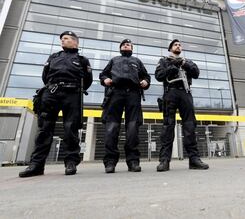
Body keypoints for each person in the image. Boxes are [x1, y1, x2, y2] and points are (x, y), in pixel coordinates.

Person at [19, 31, 92, 177]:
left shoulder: (82, 60)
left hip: (72, 95)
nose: (62, 41)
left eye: (65, 39)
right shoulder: (54, 57)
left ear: (75, 42)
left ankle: (71, 163)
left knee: (70, 128)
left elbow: (88, 80)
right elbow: (45, 76)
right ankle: (36, 165)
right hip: (51, 94)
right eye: (61, 39)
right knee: (44, 129)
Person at [155, 39, 209, 172]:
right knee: (168, 126)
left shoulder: (187, 61)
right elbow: (159, 75)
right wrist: (172, 67)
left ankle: (194, 159)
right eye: (175, 45)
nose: (178, 46)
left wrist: (184, 64)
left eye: (179, 45)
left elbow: (196, 73)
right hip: (170, 92)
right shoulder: (164, 60)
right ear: (170, 48)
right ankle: (164, 161)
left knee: (190, 126)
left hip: (185, 92)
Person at [99, 39, 151, 173]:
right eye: (123, 44)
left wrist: (145, 81)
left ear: (132, 48)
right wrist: (105, 79)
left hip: (133, 94)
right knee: (112, 128)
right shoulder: (114, 60)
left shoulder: (137, 61)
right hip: (115, 93)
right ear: (120, 48)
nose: (126, 45)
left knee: (133, 128)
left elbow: (146, 76)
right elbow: (103, 74)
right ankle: (110, 162)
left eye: (128, 44)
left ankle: (133, 161)